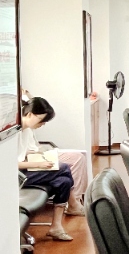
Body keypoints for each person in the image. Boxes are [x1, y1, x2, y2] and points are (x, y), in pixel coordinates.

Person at [18, 98, 82, 241]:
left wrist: (41, 155)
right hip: (16, 176)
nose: (43, 124)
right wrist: (38, 165)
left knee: (64, 181)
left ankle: (56, 227)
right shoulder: (13, 132)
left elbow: (24, 152)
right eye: (41, 120)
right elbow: (10, 164)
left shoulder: (27, 130)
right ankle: (73, 204)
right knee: (64, 167)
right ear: (30, 114)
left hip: (26, 171)